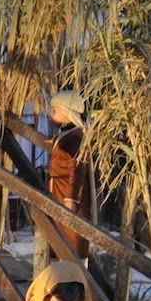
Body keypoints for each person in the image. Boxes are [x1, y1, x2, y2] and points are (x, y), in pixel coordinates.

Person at [47, 90, 92, 258]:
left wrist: (71, 199)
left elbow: (77, 168)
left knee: (70, 239)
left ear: (67, 113)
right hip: (60, 190)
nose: (51, 114)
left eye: (55, 111)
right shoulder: (69, 135)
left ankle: (72, 269)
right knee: (60, 236)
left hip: (67, 192)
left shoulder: (75, 138)